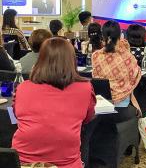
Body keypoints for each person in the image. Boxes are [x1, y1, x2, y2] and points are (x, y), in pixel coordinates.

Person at [12, 37, 96, 168]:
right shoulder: (84, 88)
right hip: (65, 161)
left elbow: (17, 115)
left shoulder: (23, 87)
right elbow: (88, 117)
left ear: (41, 58)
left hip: (22, 161)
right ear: (71, 60)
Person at [92, 20, 141, 112]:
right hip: (122, 105)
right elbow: (135, 74)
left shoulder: (95, 56)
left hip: (101, 104)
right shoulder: (127, 56)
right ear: (120, 35)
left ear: (103, 36)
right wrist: (127, 49)